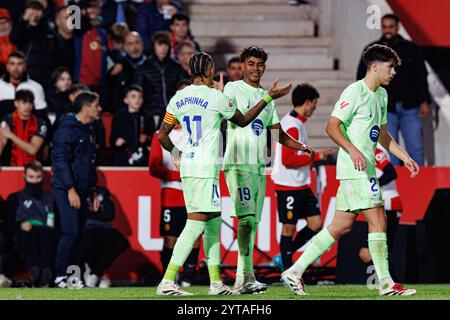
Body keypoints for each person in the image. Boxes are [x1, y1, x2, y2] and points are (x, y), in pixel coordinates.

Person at [281, 44, 420, 296]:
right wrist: (353, 149)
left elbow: (384, 135)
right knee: (379, 219)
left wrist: (405, 156)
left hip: (360, 169)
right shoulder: (355, 92)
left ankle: (293, 271)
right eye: (390, 67)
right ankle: (387, 284)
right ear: (374, 66)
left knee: (340, 226)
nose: (393, 73)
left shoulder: (381, 96)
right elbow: (332, 126)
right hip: (356, 168)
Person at [156, 52, 292, 296]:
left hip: (190, 166)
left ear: (190, 72)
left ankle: (216, 283)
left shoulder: (178, 98)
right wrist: (268, 98)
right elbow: (244, 120)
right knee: (196, 223)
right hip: (206, 168)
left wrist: (177, 153)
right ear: (209, 71)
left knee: (212, 224)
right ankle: (167, 280)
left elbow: (162, 134)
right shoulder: (217, 98)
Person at [222, 47, 314, 294]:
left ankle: (246, 276)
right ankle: (243, 276)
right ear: (242, 66)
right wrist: (268, 98)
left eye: (260, 64)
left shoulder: (266, 96)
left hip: (258, 167)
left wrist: (302, 146)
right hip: (238, 163)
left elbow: (277, 134)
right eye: (251, 64)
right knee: (244, 220)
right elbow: (240, 119)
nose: (255, 68)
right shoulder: (233, 89)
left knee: (251, 222)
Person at [356, 14, 431, 166]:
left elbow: (421, 75)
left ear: (397, 27)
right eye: (384, 27)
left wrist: (424, 101)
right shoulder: (373, 51)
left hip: (410, 106)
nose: (387, 30)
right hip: (384, 108)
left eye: (391, 27)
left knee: (415, 147)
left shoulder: (411, 48)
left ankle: (418, 184)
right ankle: (393, 185)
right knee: (389, 149)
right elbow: (362, 77)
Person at [271, 84, 331, 271]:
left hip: (299, 184)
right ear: (307, 102)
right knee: (288, 227)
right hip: (288, 184)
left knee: (316, 223)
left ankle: (283, 258)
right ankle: (287, 270)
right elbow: (288, 159)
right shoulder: (292, 125)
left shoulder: (293, 123)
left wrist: (312, 154)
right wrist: (315, 156)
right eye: (314, 103)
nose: (315, 107)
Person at [51, 91, 101, 288]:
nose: (100, 109)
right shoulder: (66, 130)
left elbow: (90, 163)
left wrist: (93, 190)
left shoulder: (88, 130)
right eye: (97, 105)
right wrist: (70, 189)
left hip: (82, 188)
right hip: (65, 188)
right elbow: (60, 162)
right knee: (70, 231)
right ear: (86, 107)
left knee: (78, 233)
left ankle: (72, 277)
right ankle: (59, 276)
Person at [149, 116, 200, 287]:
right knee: (170, 237)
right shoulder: (160, 134)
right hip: (171, 194)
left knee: (195, 236)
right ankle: (168, 277)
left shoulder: (194, 133)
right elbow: (154, 167)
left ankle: (188, 277)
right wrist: (179, 175)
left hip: (192, 193)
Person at [6, 161, 56, 287]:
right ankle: (35, 273)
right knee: (30, 237)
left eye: (38, 177)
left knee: (48, 236)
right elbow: (8, 222)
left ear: (42, 178)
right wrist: (20, 225)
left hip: (46, 233)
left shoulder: (50, 198)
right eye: (31, 177)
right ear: (25, 177)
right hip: (25, 233)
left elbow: (57, 223)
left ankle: (44, 274)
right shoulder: (15, 198)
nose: (35, 181)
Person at [358, 144, 403, 278]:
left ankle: (390, 283)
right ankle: (389, 283)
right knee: (375, 250)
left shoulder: (375, 149)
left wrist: (372, 187)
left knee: (372, 251)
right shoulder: (365, 148)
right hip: (380, 204)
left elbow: (390, 173)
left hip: (388, 203)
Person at [133, 31, 186, 128]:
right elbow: (137, 93)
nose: (163, 48)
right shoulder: (143, 68)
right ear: (153, 46)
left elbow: (184, 91)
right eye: (160, 44)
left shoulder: (177, 67)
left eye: (166, 44)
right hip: (152, 115)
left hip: (173, 114)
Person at [81, 186, 129, 288]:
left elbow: (110, 215)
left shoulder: (102, 191)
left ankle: (96, 273)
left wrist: (91, 213)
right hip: (86, 229)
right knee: (85, 243)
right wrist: (97, 213)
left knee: (119, 242)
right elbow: (79, 214)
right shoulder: (79, 190)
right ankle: (93, 273)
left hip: (105, 229)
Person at [10, 0, 59, 89]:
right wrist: (24, 19)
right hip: (28, 75)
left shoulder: (48, 29)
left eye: (38, 9)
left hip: (47, 77)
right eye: (32, 9)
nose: (34, 12)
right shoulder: (22, 28)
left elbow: (56, 52)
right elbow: (14, 39)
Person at [0, 89, 48, 166]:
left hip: (32, 168)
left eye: (30, 103)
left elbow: (32, 150)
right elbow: (1, 142)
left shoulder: (40, 123)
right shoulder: (7, 120)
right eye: (24, 102)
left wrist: (11, 135)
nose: (27, 106)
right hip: (10, 166)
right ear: (16, 103)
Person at [110, 85, 154, 166]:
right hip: (123, 156)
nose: (137, 100)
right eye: (133, 97)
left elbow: (153, 136)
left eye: (140, 97)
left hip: (142, 157)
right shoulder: (119, 116)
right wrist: (117, 142)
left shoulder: (146, 116)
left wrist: (147, 138)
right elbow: (113, 139)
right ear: (126, 100)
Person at [0, 51, 47, 120]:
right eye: (12, 64)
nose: (16, 68)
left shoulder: (36, 87)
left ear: (25, 66)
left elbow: (41, 116)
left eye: (20, 64)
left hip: (28, 128)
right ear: (7, 66)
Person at [109, 31, 148, 113]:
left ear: (142, 44)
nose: (135, 46)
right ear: (125, 47)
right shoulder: (119, 67)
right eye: (130, 44)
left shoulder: (151, 63)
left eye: (137, 42)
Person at [54, 6, 75, 75]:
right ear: (58, 22)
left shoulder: (81, 41)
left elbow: (102, 18)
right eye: (66, 18)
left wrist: (96, 16)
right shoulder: (50, 43)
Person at [0, 8, 16, 75]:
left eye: (5, 22)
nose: (2, 26)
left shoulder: (18, 38)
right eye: (0, 23)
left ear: (10, 23)